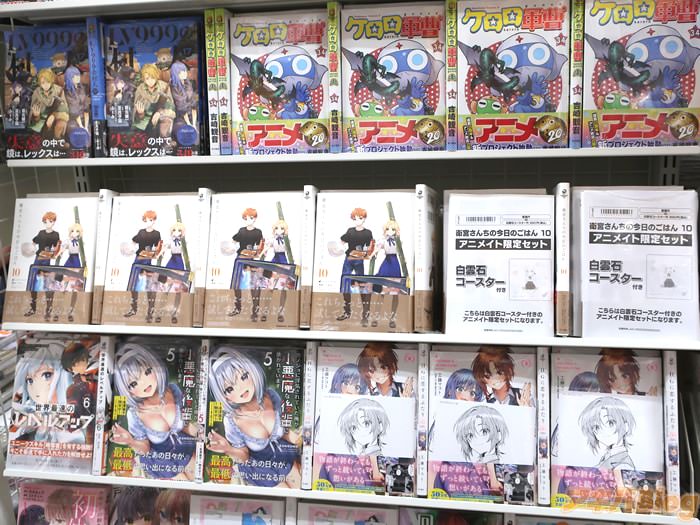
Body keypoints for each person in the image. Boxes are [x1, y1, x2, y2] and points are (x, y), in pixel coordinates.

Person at [207, 346, 301, 488]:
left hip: (284, 458)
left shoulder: (271, 395)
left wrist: (303, 441)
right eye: (229, 389)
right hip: (258, 470)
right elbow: (244, 455)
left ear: (252, 372)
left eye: (244, 377)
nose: (241, 388)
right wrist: (228, 449)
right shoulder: (232, 421)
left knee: (300, 484)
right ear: (225, 397)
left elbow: (285, 432)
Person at [110, 342, 198, 480]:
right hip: (160, 464)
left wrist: (201, 433)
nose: (144, 383)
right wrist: (130, 441)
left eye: (147, 372)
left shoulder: (173, 390)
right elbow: (144, 448)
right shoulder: (135, 414)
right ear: (127, 391)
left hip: (187, 450)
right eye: (133, 383)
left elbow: (185, 426)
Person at [336, 207, 374, 326]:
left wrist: (369, 253)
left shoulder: (367, 233)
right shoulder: (350, 231)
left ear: (364, 219)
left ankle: (365, 314)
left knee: (362, 285)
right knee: (345, 282)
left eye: (360, 218)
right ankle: (347, 311)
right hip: (349, 258)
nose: (357, 220)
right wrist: (341, 248)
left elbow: (370, 246)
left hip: (359, 259)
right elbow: (342, 241)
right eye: (355, 218)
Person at [579, 396, 636, 471]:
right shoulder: (608, 457)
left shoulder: (623, 465)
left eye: (610, 423)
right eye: (597, 427)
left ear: (626, 426)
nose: (603, 431)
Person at [124, 210, 162, 322]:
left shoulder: (156, 234)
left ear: (154, 221)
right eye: (146, 220)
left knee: (149, 286)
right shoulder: (141, 232)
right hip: (138, 259)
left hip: (148, 261)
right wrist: (129, 249)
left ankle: (150, 311)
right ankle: (133, 308)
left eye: (151, 220)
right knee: (133, 285)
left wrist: (157, 253)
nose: (149, 222)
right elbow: (133, 242)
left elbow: (158, 247)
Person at [228, 208, 265, 322]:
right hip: (240, 258)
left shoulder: (258, 232)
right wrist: (232, 248)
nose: (249, 220)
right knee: (237, 284)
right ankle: (237, 308)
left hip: (253, 259)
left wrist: (259, 252)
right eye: (246, 218)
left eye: (251, 218)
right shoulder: (241, 231)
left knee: (254, 284)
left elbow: (260, 246)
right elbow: (233, 241)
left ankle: (255, 311)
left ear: (255, 218)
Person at [24, 211, 61, 320]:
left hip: (47, 260)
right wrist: (31, 249)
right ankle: (33, 308)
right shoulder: (40, 233)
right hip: (38, 259)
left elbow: (56, 248)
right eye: (45, 221)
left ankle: (48, 310)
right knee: (33, 283)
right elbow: (33, 242)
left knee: (47, 284)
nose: (47, 223)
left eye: (50, 221)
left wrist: (56, 252)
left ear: (53, 222)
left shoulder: (55, 234)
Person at [371, 219, 403, 328]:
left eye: (393, 229)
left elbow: (400, 252)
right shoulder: (383, 240)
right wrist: (373, 254)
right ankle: (375, 318)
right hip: (386, 265)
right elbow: (377, 248)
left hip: (395, 266)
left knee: (395, 294)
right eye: (388, 229)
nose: (390, 231)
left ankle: (392, 319)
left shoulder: (398, 241)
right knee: (382, 293)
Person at [133, 63, 176, 140]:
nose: (150, 81)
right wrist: (140, 114)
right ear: (143, 79)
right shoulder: (140, 89)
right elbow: (135, 114)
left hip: (161, 117)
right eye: (147, 78)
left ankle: (165, 141)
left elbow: (171, 105)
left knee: (166, 120)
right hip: (145, 122)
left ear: (156, 76)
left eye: (152, 78)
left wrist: (160, 112)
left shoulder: (164, 86)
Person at [29, 68, 69, 139]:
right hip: (41, 122)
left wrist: (54, 115)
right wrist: (36, 116)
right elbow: (32, 111)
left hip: (55, 119)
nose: (46, 85)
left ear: (51, 81)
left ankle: (57, 140)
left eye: (48, 82)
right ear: (40, 83)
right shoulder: (36, 92)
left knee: (61, 123)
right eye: (43, 83)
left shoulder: (58, 90)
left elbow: (65, 108)